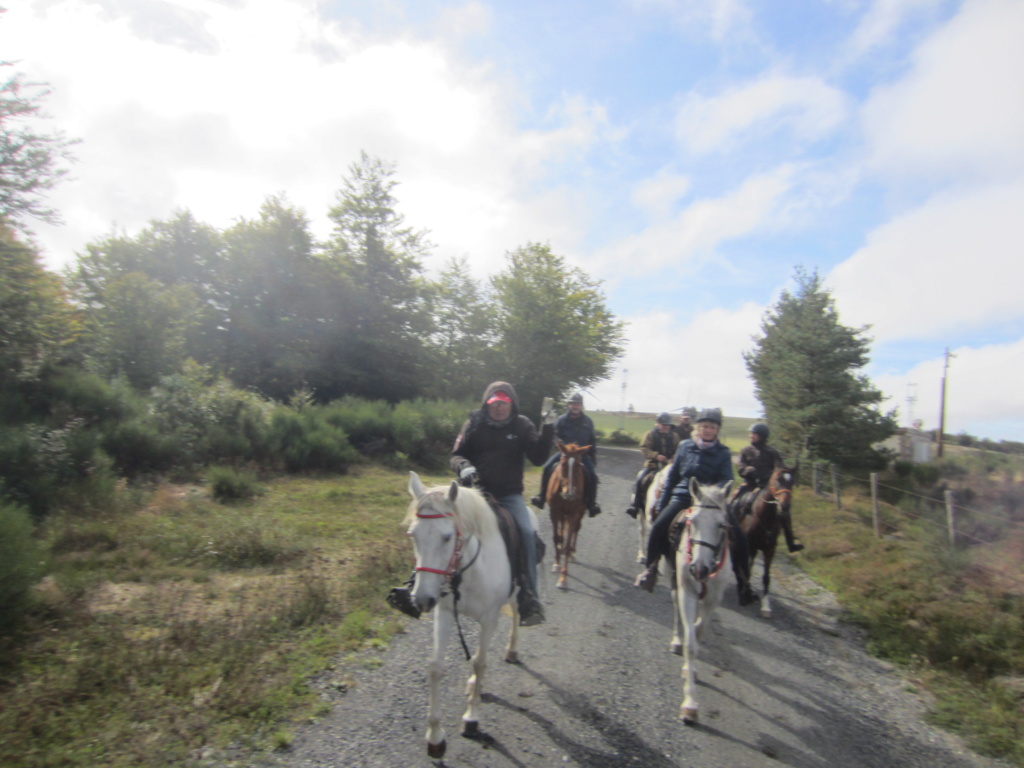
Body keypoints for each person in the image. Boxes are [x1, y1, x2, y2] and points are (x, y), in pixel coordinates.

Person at [449, 381, 555, 625]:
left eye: (504, 403)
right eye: (495, 403)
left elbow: (538, 458)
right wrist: (463, 466)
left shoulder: (522, 425)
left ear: (512, 405)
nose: (499, 408)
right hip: (474, 493)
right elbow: (455, 455)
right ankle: (427, 585)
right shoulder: (474, 423)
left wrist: (548, 427)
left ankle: (529, 597)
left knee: (527, 532)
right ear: (488, 403)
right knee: (441, 526)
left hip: (508, 495)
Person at [634, 407, 756, 606]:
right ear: (698, 428)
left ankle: (744, 583)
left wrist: (711, 494)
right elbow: (673, 476)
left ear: (717, 430)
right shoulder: (684, 446)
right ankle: (651, 569)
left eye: (712, 427)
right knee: (658, 527)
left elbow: (727, 478)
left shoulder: (723, 452)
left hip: (712, 501)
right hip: (683, 495)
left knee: (740, 537)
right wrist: (663, 505)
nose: (708, 430)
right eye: (705, 426)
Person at [735, 423, 804, 553]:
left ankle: (791, 540)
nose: (751, 436)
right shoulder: (746, 450)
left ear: (761, 436)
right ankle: (730, 529)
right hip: (750, 484)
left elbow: (779, 469)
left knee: (784, 509)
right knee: (734, 499)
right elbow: (740, 466)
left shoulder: (772, 452)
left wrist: (771, 476)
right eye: (751, 433)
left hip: (768, 486)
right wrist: (749, 470)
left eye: (753, 434)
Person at [531, 392, 601, 517]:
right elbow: (555, 435)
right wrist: (563, 446)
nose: (575, 406)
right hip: (565, 454)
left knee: (592, 476)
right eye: (573, 403)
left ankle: (592, 504)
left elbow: (592, 441)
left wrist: (593, 458)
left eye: (578, 404)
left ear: (581, 406)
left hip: (581, 454)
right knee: (547, 467)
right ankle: (541, 497)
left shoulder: (588, 421)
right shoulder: (561, 420)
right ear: (569, 405)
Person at [625, 412, 679, 519]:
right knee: (641, 479)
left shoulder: (675, 436)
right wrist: (656, 456)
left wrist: (673, 457)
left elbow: (679, 450)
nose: (665, 427)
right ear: (658, 424)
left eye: (667, 425)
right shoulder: (650, 434)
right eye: (663, 425)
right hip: (652, 465)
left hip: (670, 467)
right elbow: (644, 448)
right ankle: (635, 506)